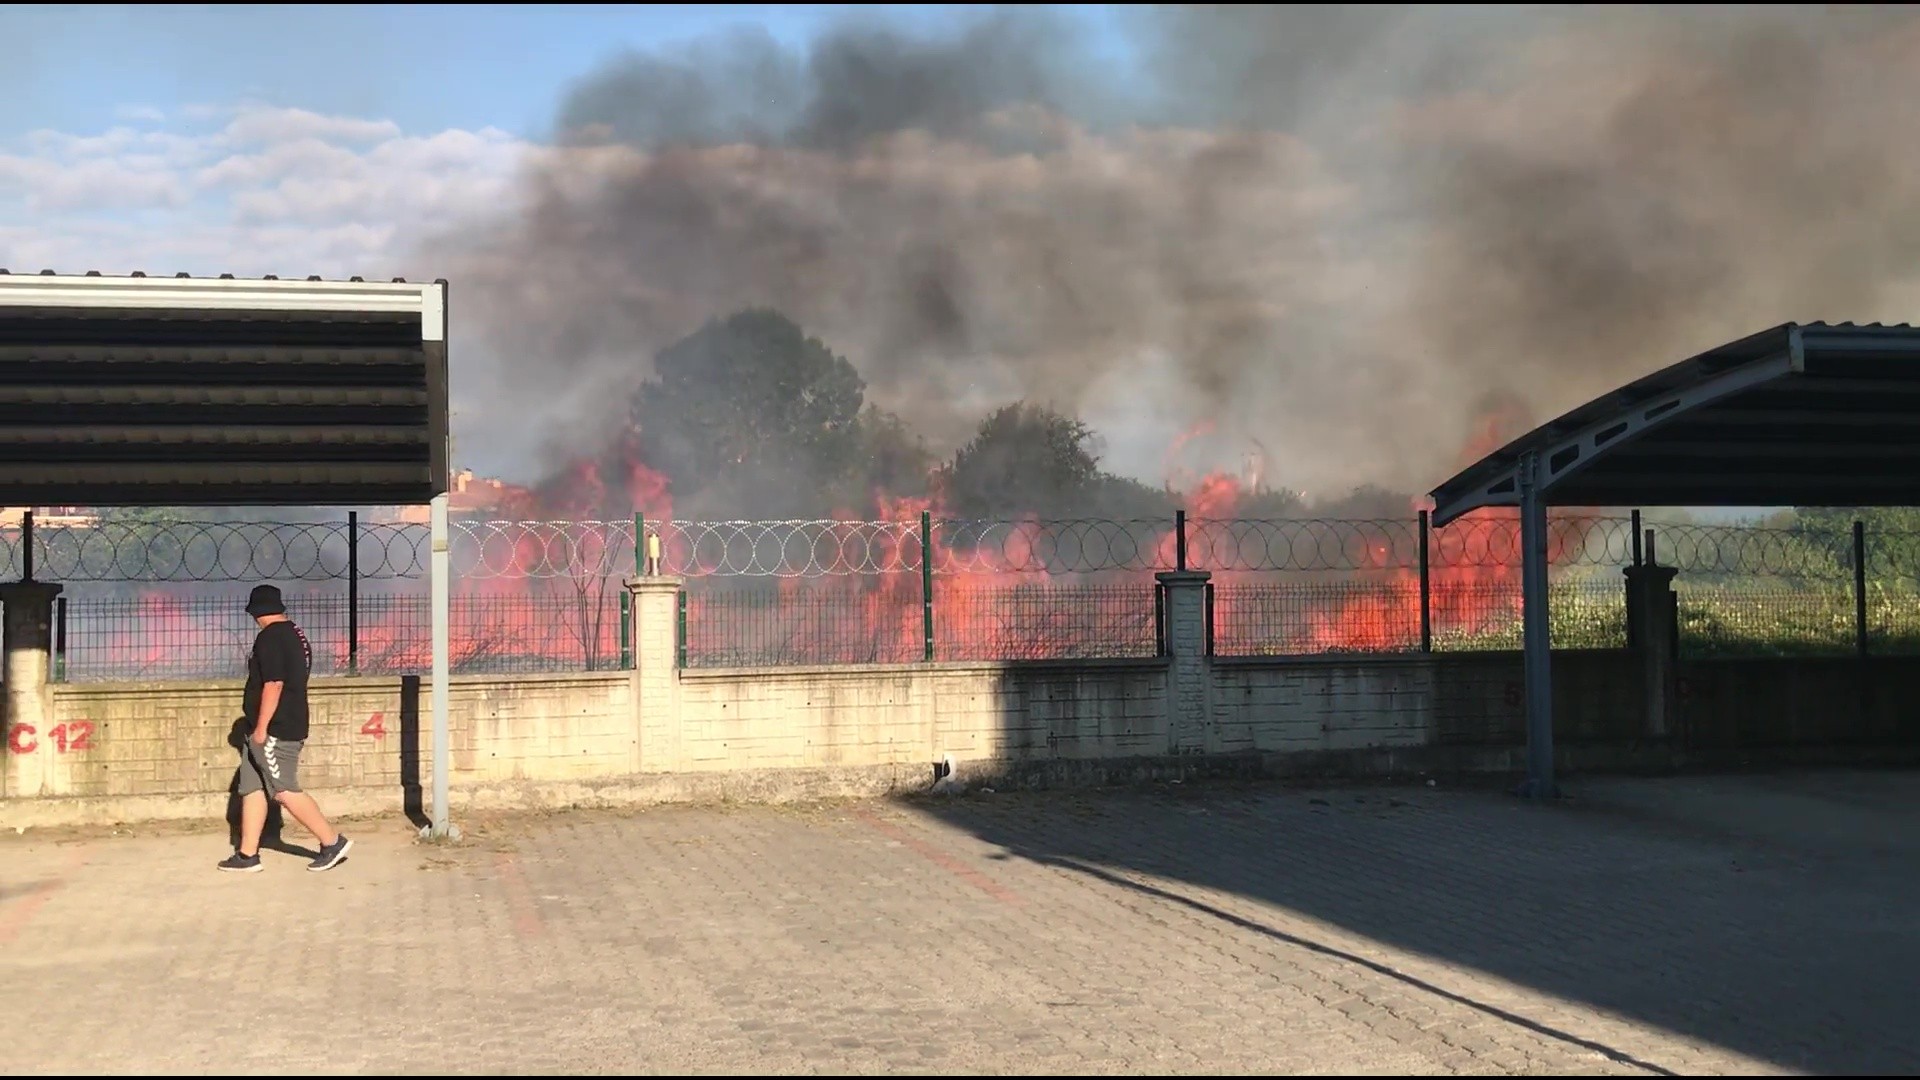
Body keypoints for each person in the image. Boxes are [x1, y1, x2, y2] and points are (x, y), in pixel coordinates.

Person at [219, 584, 353, 873]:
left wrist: (261, 728)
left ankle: (332, 842)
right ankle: (247, 854)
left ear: (255, 612)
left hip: (276, 729)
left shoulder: (270, 638)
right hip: (278, 723)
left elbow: (274, 683)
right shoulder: (295, 634)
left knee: (283, 790)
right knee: (252, 787)